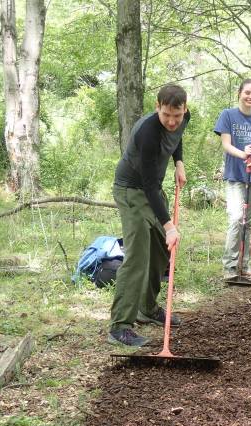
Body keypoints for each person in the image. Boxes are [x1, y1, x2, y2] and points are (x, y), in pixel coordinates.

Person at [108, 84, 188, 347]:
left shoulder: (183, 118)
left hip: (151, 189)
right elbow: (149, 184)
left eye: (177, 115)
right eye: (167, 115)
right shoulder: (148, 133)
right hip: (131, 189)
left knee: (161, 251)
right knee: (138, 255)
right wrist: (169, 225)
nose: (172, 121)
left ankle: (147, 307)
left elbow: (176, 140)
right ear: (157, 107)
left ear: (184, 109)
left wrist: (179, 162)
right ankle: (120, 326)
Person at [214, 79, 251, 279]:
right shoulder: (227, 115)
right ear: (240, 93)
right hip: (235, 176)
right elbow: (226, 144)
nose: (250, 96)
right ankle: (230, 266)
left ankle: (244, 266)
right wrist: (244, 155)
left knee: (248, 221)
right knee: (236, 218)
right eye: (247, 92)